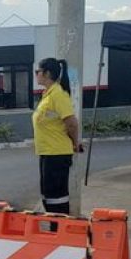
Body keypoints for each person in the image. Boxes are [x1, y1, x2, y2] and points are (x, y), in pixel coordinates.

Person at [32, 57, 84, 215]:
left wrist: (75, 144)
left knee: (57, 198)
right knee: (48, 196)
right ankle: (55, 230)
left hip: (57, 153)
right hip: (47, 153)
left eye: (37, 72)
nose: (36, 75)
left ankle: (62, 230)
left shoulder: (58, 95)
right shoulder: (48, 94)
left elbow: (72, 123)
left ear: (47, 73)